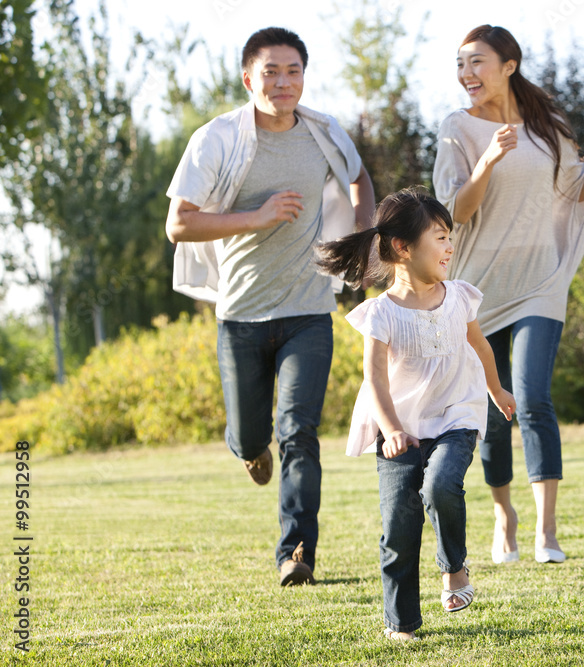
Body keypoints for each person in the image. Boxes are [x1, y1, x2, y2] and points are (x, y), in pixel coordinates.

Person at [433, 25, 584, 565]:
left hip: (540, 281)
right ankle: (504, 515)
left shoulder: (547, 126)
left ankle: (547, 531)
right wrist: (486, 161)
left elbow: (574, 188)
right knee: (494, 407)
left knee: (532, 398)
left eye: (476, 62)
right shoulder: (456, 129)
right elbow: (455, 211)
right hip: (480, 286)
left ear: (509, 65)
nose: (466, 74)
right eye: (460, 64)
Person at [164, 27, 376, 587]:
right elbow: (179, 223)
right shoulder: (216, 140)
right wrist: (257, 217)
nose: (283, 83)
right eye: (271, 72)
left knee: (299, 432)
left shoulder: (324, 132)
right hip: (240, 315)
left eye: (293, 72)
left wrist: (364, 239)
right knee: (251, 436)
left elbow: (359, 178)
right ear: (247, 78)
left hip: (309, 310)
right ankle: (249, 449)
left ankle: (296, 553)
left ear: (304, 75)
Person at [315, 188, 516, 641]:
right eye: (440, 237)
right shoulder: (380, 314)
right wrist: (391, 431)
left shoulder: (460, 296)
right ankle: (402, 622)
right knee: (399, 525)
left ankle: (454, 568)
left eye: (450, 237)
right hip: (400, 430)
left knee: (442, 484)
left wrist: (497, 389)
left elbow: (480, 346)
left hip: (455, 417)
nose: (450, 246)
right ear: (403, 248)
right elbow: (375, 382)